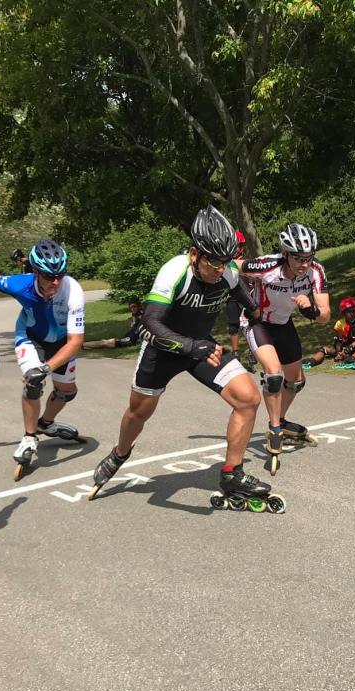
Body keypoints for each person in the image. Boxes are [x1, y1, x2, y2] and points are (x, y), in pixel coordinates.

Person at [88, 206, 283, 512]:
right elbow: (150, 323)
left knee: (248, 399)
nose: (219, 269)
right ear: (194, 253)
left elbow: (250, 306)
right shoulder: (174, 271)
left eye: (225, 261)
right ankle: (120, 452)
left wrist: (261, 324)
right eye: (213, 261)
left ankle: (232, 474)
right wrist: (191, 346)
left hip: (201, 348)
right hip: (162, 349)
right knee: (138, 414)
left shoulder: (227, 272)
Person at [0, 239, 86, 479]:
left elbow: (75, 342)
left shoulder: (73, 291)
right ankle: (30, 437)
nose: (56, 282)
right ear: (36, 272)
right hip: (30, 337)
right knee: (33, 382)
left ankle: (45, 423)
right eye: (49, 276)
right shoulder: (21, 284)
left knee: (67, 392)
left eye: (60, 275)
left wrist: (47, 368)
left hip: (62, 342)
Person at [239, 222, 331, 473]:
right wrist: (241, 295)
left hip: (283, 324)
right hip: (257, 322)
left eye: (308, 257)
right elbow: (233, 266)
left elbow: (325, 315)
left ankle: (279, 419)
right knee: (273, 375)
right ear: (285, 253)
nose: (304, 264)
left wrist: (309, 310)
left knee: (296, 382)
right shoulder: (266, 265)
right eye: (298, 258)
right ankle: (275, 429)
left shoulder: (316, 271)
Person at [306, 295, 355, 368]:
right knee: (323, 349)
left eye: (354, 310)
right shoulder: (340, 323)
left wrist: (349, 348)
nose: (353, 313)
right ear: (344, 313)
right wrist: (339, 352)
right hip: (344, 347)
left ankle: (351, 359)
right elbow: (339, 340)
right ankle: (311, 361)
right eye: (349, 312)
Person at [224, 230, 249, 362]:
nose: (234, 249)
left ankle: (253, 352)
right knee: (233, 326)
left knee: (249, 324)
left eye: (236, 246)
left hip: (246, 298)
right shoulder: (225, 262)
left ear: (241, 247)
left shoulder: (246, 261)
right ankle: (235, 353)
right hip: (231, 298)